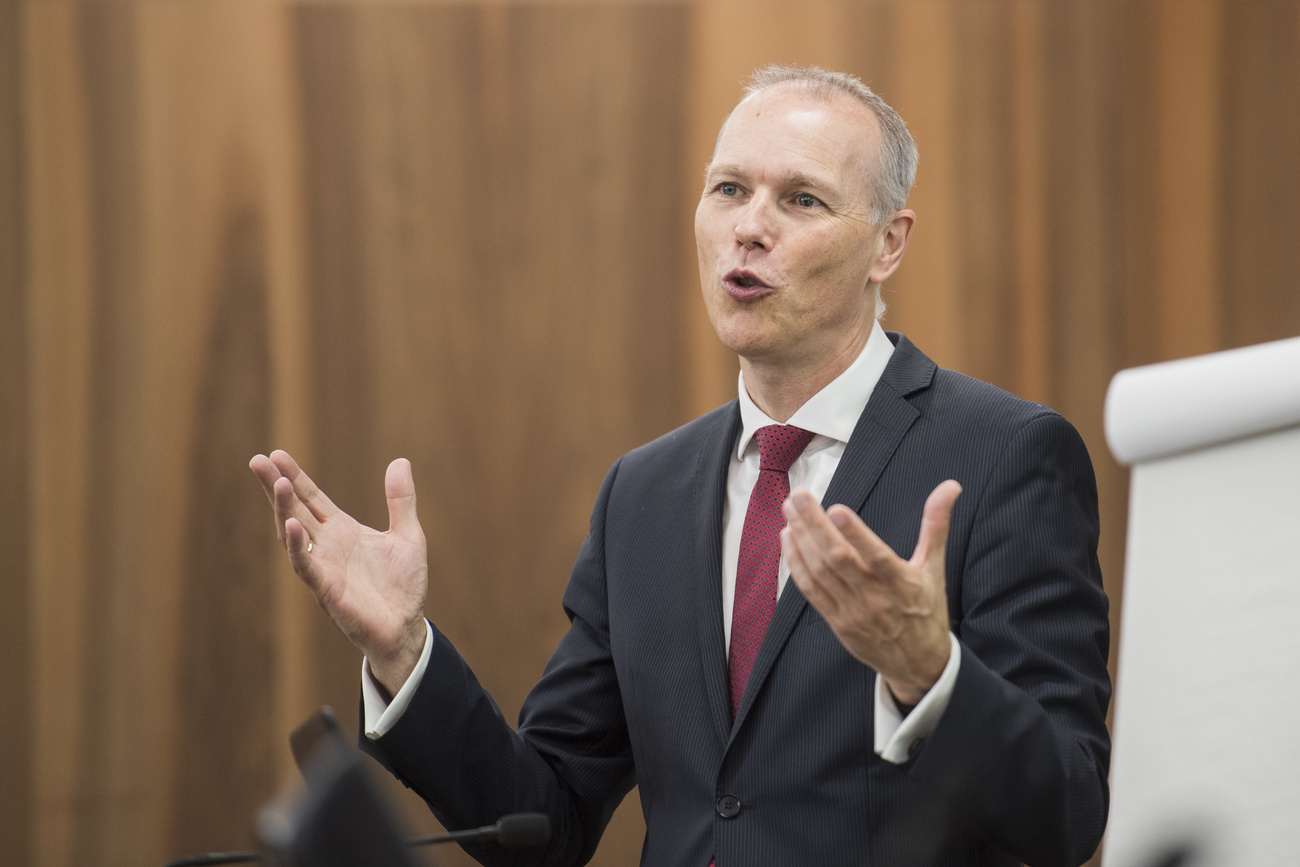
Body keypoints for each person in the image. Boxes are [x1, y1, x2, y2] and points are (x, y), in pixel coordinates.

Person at [251, 65, 1111, 866]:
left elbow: (1069, 814)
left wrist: (931, 675)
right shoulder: (644, 494)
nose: (750, 226)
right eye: (729, 189)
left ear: (889, 243)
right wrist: (406, 652)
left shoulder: (1006, 455)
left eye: (802, 199)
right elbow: (541, 820)